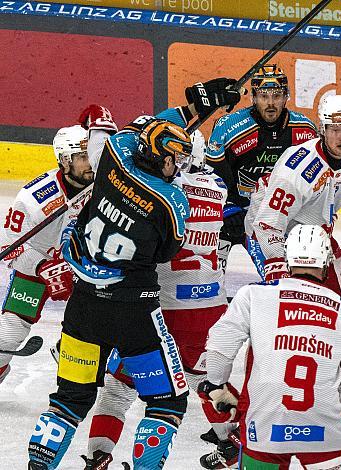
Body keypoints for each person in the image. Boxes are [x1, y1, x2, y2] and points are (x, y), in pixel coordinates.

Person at [26, 78, 241, 470]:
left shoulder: (113, 156)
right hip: (138, 314)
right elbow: (166, 250)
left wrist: (194, 105)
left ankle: (41, 465)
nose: (175, 165)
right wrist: (198, 110)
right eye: (171, 159)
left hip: (83, 308)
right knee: (168, 399)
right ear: (164, 159)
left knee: (70, 400)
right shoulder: (175, 197)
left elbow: (133, 130)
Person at [80, 131, 233, 469]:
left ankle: (96, 458)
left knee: (118, 388)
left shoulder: (161, 191)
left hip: (159, 308)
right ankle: (230, 442)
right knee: (204, 381)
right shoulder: (218, 188)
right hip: (209, 306)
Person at [200, 224, 341, 469]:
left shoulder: (253, 295)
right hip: (325, 427)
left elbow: (220, 346)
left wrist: (217, 386)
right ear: (326, 263)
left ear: (287, 258)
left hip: (265, 425)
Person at [0, 105, 117, 385]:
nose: (89, 162)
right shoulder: (34, 198)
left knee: (108, 317)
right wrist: (42, 268)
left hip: (86, 265)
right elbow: (10, 248)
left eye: (90, 154)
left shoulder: (105, 182)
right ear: (64, 161)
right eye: (81, 157)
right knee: (9, 333)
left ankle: (69, 351)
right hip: (38, 266)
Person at [244, 94, 341, 299]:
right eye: (335, 130)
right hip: (270, 234)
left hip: (315, 233)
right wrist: (278, 265)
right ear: (323, 129)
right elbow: (267, 225)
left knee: (340, 299)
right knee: (294, 300)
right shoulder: (297, 169)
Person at [206, 64, 317, 271]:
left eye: (277, 96)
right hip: (232, 209)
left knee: (279, 273)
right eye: (264, 96)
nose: (271, 103)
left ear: (286, 97)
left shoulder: (305, 131)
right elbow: (211, 174)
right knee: (207, 275)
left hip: (273, 212)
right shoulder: (229, 127)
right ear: (254, 98)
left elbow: (314, 179)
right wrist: (228, 208)